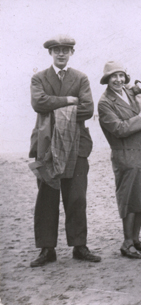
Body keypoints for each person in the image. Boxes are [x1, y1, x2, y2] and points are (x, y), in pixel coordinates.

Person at [29, 35, 101, 267]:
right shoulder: (39, 77)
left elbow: (87, 109)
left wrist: (55, 108)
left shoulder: (81, 78)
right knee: (47, 199)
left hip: (77, 146)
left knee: (77, 198)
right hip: (46, 145)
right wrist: (69, 101)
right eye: (56, 50)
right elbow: (38, 103)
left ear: (72, 53)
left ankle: (79, 246)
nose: (61, 54)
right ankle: (46, 249)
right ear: (50, 53)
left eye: (65, 50)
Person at [98, 61, 141, 259]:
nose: (118, 80)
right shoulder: (105, 102)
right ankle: (127, 242)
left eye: (121, 75)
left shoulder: (130, 92)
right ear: (107, 80)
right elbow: (118, 129)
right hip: (125, 155)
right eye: (113, 76)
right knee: (128, 200)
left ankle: (136, 239)